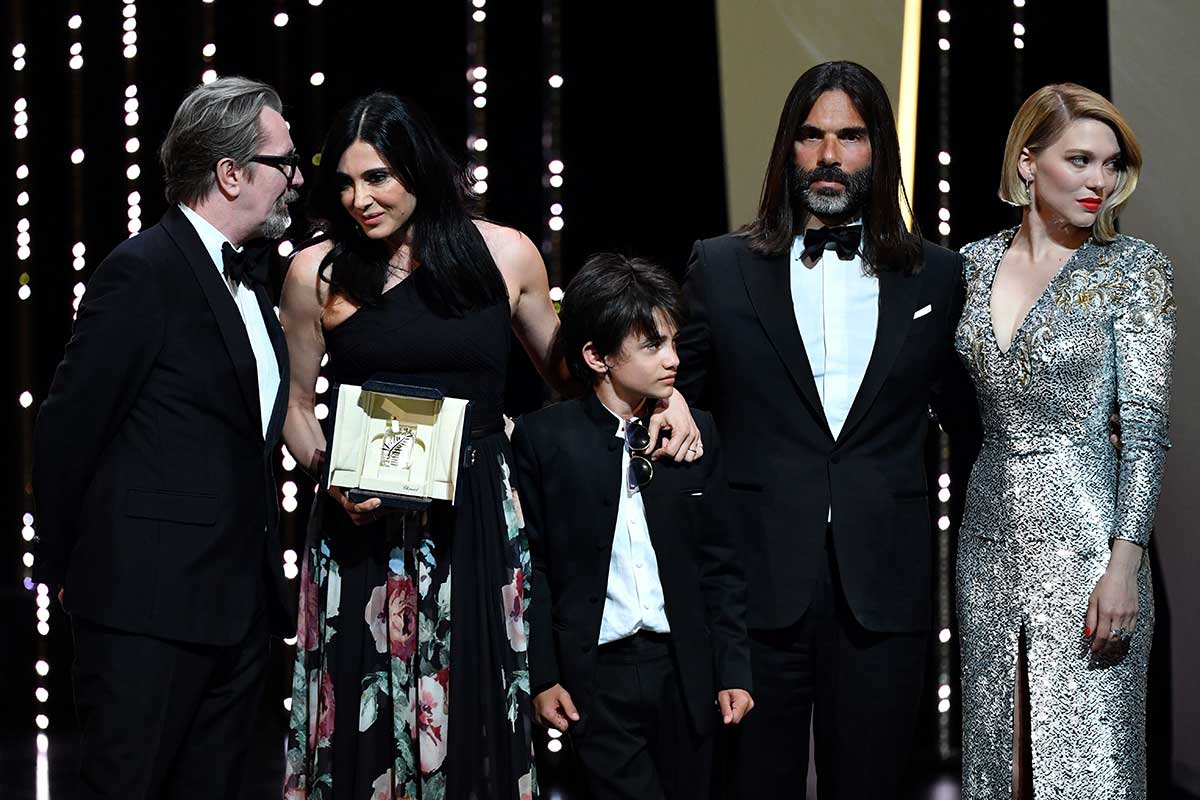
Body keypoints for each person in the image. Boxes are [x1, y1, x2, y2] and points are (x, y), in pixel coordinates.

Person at [279, 93, 701, 799]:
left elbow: (579, 373)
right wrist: (329, 476)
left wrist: (667, 391)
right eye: (346, 183)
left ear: (416, 168)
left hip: (475, 522)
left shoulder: (506, 255)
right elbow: (295, 407)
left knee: (474, 718)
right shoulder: (315, 272)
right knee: (361, 725)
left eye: (377, 177)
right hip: (360, 537)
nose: (359, 199)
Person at [674, 61, 979, 799]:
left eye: (849, 135)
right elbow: (678, 402)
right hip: (754, 582)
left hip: (885, 579)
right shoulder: (719, 267)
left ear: (879, 149)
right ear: (788, 149)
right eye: (811, 136)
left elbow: (972, 425)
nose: (830, 156)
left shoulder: (938, 277)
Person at [32, 77, 301, 798]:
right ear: (232, 173)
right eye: (285, 162)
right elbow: (65, 431)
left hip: (236, 610)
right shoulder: (142, 272)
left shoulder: (254, 287)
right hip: (144, 612)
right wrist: (65, 570)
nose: (296, 179)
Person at [955, 84, 1173, 800]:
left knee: (1088, 771)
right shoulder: (969, 265)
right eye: (1079, 159)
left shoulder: (1134, 269)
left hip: (1090, 547)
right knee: (1002, 762)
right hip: (988, 538)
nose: (1098, 181)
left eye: (1111, 165)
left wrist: (1124, 565)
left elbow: (1144, 430)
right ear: (1027, 162)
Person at [513, 255, 753, 799]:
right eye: (652, 346)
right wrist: (544, 674)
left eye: (673, 341)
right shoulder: (545, 438)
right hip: (598, 675)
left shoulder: (694, 432)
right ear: (596, 355)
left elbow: (721, 562)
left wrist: (733, 667)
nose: (673, 359)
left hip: (683, 666)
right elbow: (536, 567)